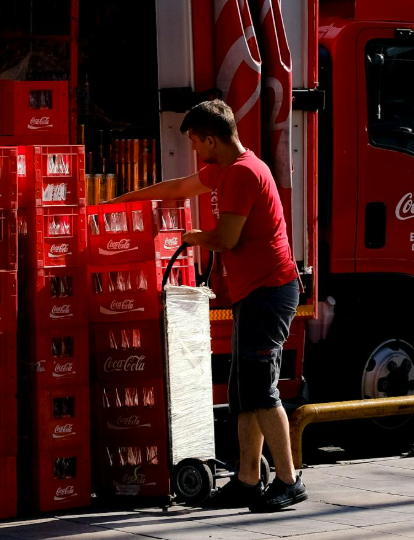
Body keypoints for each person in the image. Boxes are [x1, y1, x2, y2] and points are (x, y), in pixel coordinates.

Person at [115, 99, 306, 513]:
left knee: (261, 390)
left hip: (269, 291)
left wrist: (192, 236)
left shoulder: (242, 173)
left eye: (196, 143)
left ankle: (290, 481)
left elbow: (227, 238)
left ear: (211, 139)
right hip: (252, 292)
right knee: (243, 394)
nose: (195, 151)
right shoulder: (225, 168)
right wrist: (123, 201)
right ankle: (248, 480)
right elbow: (180, 187)